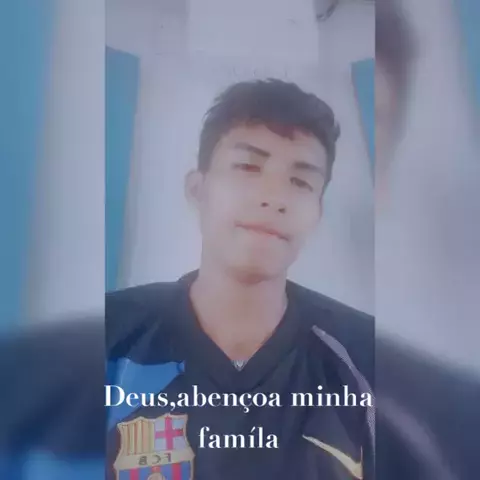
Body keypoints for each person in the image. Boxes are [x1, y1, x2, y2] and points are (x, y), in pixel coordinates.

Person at [106, 79, 375, 480]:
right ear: (197, 190)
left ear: (317, 213)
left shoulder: (368, 362)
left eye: (301, 181)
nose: (274, 197)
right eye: (248, 167)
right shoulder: (108, 339)